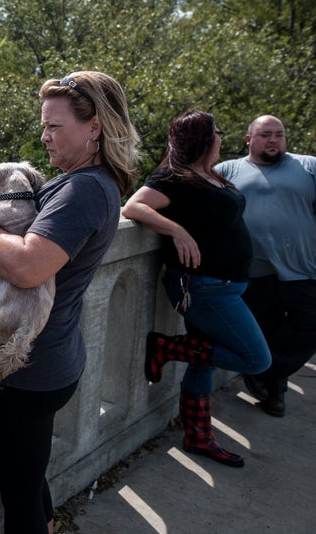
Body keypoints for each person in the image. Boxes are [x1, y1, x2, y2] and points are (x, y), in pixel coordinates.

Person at [0, 71, 139, 534]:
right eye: (43, 125)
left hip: (26, 372)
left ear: (94, 128)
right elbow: (25, 225)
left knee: (18, 497)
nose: (43, 136)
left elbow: (27, 266)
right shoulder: (83, 181)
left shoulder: (84, 188)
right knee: (28, 481)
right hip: (44, 363)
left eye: (54, 126)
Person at [121, 109, 271, 468]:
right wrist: (176, 230)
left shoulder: (212, 176)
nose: (222, 137)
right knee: (256, 358)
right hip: (203, 287)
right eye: (217, 131)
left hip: (225, 286)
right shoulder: (175, 177)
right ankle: (166, 347)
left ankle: (197, 435)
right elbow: (134, 206)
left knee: (204, 359)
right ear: (204, 138)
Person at [216, 115, 316, 417]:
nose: (273, 139)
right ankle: (275, 393)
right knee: (265, 330)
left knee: (310, 325)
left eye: (279, 134)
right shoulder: (228, 170)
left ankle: (264, 373)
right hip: (252, 272)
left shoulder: (308, 166)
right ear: (249, 140)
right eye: (265, 134)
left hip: (303, 269)